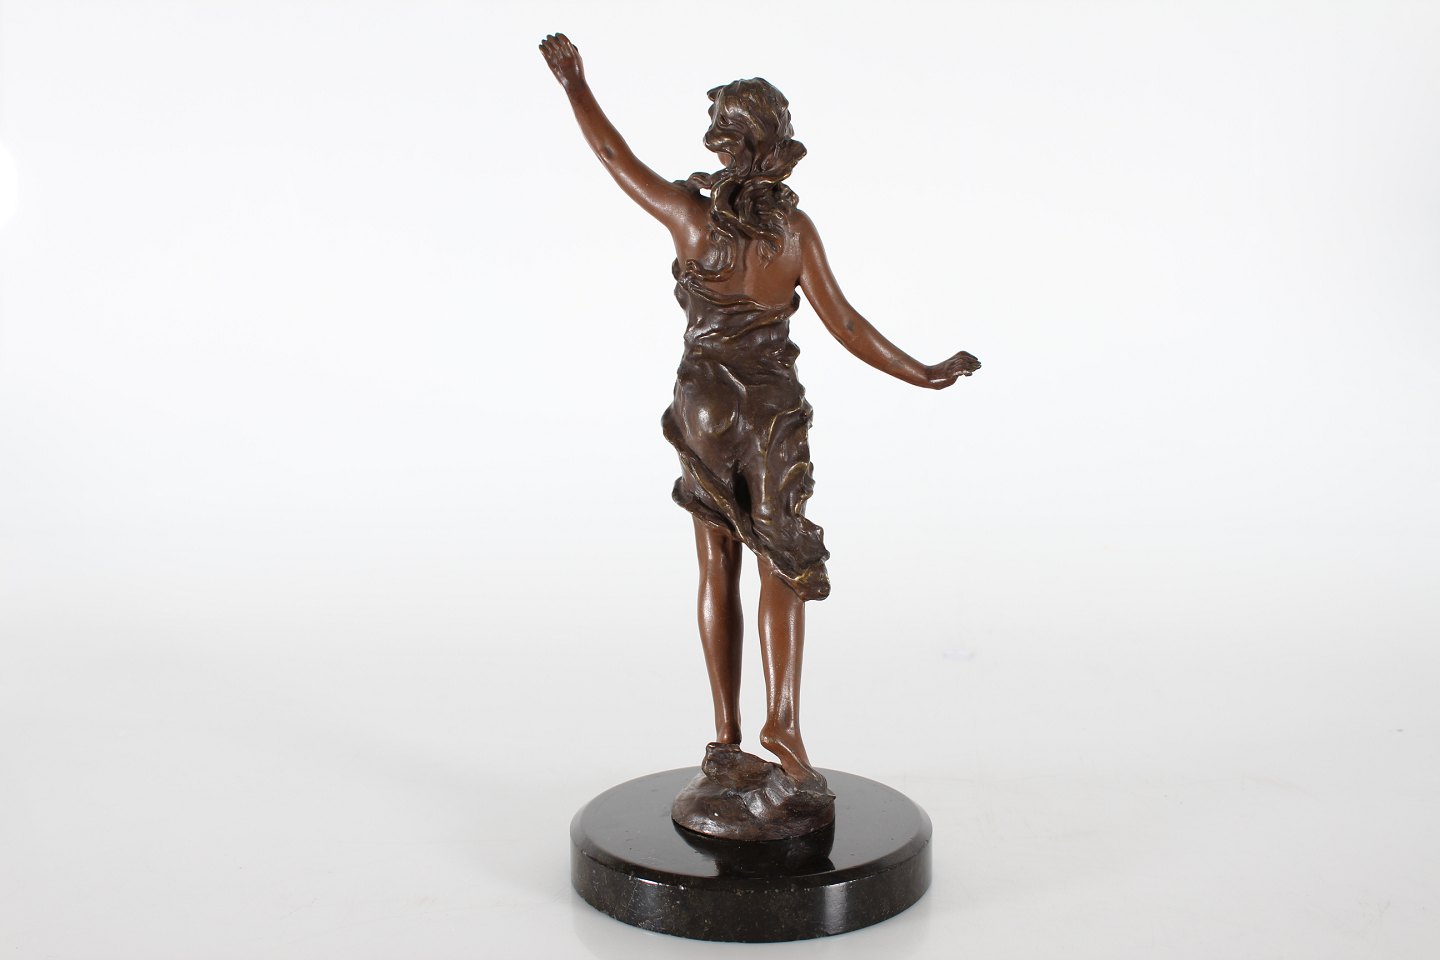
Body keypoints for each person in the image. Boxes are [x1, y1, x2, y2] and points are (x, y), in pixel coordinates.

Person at [540, 34, 979, 784]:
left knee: (717, 564)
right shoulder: (794, 234)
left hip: (707, 403)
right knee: (784, 557)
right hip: (773, 410)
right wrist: (922, 371)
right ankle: (785, 720)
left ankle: (725, 736)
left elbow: (616, 159)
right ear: (777, 148)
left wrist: (575, 85)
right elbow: (847, 325)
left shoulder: (691, 219)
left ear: (725, 143)